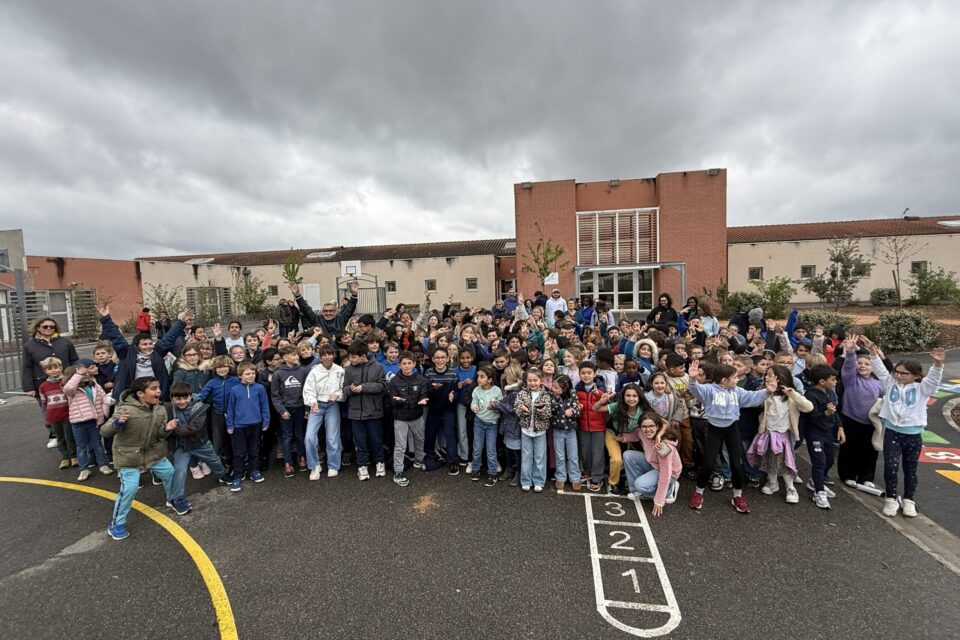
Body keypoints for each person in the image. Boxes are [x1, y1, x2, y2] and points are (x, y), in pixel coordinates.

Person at [861, 337, 945, 518]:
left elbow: (933, 380)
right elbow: (880, 369)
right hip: (892, 432)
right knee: (890, 468)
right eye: (897, 372)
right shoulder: (890, 383)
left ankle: (909, 500)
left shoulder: (922, 388)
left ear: (915, 375)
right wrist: (872, 352)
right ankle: (890, 499)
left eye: (904, 373)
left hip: (913, 435)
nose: (899, 375)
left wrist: (937, 365)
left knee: (910, 469)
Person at [687, 359, 775, 513]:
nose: (737, 380)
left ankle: (737, 495)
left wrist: (768, 391)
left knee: (736, 464)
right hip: (714, 429)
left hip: (732, 429)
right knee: (708, 464)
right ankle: (698, 492)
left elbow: (752, 397)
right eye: (734, 378)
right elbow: (696, 390)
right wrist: (693, 379)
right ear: (723, 380)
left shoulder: (738, 391)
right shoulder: (709, 390)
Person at [102, 377, 178, 541]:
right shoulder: (125, 409)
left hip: (153, 453)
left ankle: (173, 499)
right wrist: (117, 424)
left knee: (170, 472)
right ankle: (116, 524)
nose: (158, 391)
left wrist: (166, 429)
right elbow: (105, 431)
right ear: (140, 393)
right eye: (153, 388)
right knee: (129, 488)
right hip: (129, 456)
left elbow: (159, 434)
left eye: (158, 387)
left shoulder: (160, 409)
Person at [746, 364, 813, 505]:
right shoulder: (766, 393)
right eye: (767, 375)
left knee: (785, 462)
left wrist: (792, 393)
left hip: (783, 434)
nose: (767, 377)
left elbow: (808, 407)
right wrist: (767, 391)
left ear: (781, 378)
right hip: (767, 432)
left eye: (771, 375)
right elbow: (752, 402)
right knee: (769, 458)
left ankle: (790, 488)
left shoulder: (791, 397)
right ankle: (772, 483)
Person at [98, 304, 187, 401]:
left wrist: (181, 322)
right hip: (132, 396)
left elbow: (169, 337)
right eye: (144, 344)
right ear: (136, 346)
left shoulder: (157, 351)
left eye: (150, 343)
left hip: (155, 395)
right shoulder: (126, 353)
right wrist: (106, 317)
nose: (148, 346)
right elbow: (115, 336)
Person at [167, 382, 230, 514]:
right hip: (181, 446)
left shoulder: (199, 407)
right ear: (172, 398)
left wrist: (173, 429)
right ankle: (176, 499)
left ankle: (223, 475)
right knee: (179, 471)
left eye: (185, 398)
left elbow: (194, 427)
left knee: (214, 460)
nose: (182, 401)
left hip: (199, 443)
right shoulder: (168, 409)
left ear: (191, 396)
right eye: (178, 398)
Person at [21, 316, 79, 447]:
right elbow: (26, 367)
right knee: (48, 410)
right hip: (43, 385)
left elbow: (74, 360)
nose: (48, 329)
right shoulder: (30, 346)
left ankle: (73, 434)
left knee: (70, 407)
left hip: (66, 382)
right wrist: (28, 387)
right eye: (45, 326)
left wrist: (78, 376)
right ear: (38, 328)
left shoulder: (64, 342)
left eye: (51, 327)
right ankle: (54, 435)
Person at [836, 334, 885, 488]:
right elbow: (848, 367)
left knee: (870, 451)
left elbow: (883, 398)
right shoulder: (851, 380)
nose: (863, 366)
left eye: (867, 364)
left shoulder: (878, 384)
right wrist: (850, 352)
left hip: (871, 422)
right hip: (851, 419)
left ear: (873, 368)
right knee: (850, 449)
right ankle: (848, 475)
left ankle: (866, 477)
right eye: (860, 363)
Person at [342, 341, 387, 481]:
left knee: (376, 440)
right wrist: (351, 389)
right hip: (355, 413)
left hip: (374, 411)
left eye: (353, 357)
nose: (351, 360)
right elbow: (344, 388)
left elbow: (381, 386)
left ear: (362, 356)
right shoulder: (349, 370)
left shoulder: (378, 367)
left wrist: (364, 387)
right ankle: (362, 466)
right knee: (359, 441)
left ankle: (380, 463)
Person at [803, 365, 845, 509]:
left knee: (829, 460)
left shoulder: (830, 393)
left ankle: (816, 481)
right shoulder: (810, 395)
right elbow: (811, 416)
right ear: (822, 381)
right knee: (819, 462)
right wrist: (825, 413)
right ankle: (819, 491)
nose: (835, 382)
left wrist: (839, 427)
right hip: (815, 433)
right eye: (833, 380)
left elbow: (835, 411)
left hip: (828, 432)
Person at [62, 361, 113, 481]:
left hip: (94, 421)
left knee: (97, 444)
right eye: (80, 374)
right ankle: (84, 469)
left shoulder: (94, 385)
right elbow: (68, 388)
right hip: (78, 422)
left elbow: (103, 398)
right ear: (72, 377)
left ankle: (103, 465)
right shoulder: (72, 391)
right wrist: (78, 374)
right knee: (81, 446)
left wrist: (104, 413)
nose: (85, 375)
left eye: (85, 373)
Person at [595, 383, 649, 494]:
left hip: (631, 437)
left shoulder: (643, 410)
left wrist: (659, 436)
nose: (631, 399)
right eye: (628, 395)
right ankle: (612, 482)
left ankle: (626, 478)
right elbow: (596, 409)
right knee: (617, 459)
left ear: (639, 397)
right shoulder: (618, 406)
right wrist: (602, 400)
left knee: (630, 459)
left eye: (634, 396)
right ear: (623, 397)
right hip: (613, 434)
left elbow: (662, 423)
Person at [623, 414, 682, 515]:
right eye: (644, 426)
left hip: (669, 473)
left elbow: (665, 473)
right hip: (653, 464)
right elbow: (636, 435)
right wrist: (622, 437)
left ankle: (669, 491)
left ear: (657, 427)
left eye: (651, 426)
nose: (647, 429)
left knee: (640, 485)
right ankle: (636, 490)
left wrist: (659, 501)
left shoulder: (663, 446)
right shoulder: (642, 432)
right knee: (628, 455)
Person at [387, 350, 429, 486]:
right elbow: (391, 401)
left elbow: (424, 394)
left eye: (409, 363)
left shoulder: (421, 379)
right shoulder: (394, 381)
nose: (407, 366)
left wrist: (423, 400)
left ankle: (419, 459)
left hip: (416, 415)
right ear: (399, 365)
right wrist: (397, 400)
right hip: (400, 417)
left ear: (414, 364)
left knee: (420, 439)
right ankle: (398, 471)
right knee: (400, 445)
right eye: (404, 363)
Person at [226, 361, 270, 492]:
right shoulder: (234, 390)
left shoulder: (259, 388)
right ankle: (238, 475)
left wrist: (266, 421)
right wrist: (230, 424)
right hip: (239, 426)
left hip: (256, 424)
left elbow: (264, 406)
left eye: (253, 373)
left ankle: (253, 470)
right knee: (239, 453)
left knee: (254, 450)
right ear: (240, 375)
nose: (251, 376)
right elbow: (231, 409)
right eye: (247, 374)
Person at [302, 344, 345, 480]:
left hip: (332, 405)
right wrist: (312, 402)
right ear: (320, 357)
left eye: (329, 354)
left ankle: (333, 465)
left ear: (333, 355)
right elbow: (308, 389)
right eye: (324, 355)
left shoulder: (340, 370)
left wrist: (337, 395)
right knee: (309, 437)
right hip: (317, 406)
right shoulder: (314, 371)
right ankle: (314, 466)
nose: (327, 357)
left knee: (332, 437)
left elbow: (343, 389)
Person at [270, 345, 310, 477]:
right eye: (293, 355)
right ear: (285, 358)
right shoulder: (278, 373)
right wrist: (282, 410)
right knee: (287, 436)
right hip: (286, 410)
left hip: (300, 408)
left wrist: (306, 408)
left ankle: (301, 458)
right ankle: (288, 462)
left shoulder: (303, 371)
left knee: (300, 434)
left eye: (296, 354)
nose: (297, 356)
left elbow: (307, 391)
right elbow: (275, 395)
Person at [514, 367, 553, 492]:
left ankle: (539, 481)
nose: (532, 383)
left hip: (540, 431)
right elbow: (516, 408)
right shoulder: (522, 393)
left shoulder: (546, 394)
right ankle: (526, 480)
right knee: (526, 456)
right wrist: (523, 410)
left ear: (540, 380)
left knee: (539, 457)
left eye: (535, 380)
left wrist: (539, 410)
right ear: (526, 381)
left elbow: (548, 413)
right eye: (530, 380)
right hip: (526, 430)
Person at [37, 356, 76, 470]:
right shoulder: (43, 386)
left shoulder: (66, 382)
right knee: (60, 438)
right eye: (49, 368)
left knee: (70, 437)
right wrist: (47, 418)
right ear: (45, 371)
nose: (53, 370)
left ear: (61, 368)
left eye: (55, 367)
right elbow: (44, 403)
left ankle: (74, 456)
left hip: (68, 414)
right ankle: (64, 457)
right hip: (54, 416)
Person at [468, 365, 503, 486]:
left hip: (492, 424)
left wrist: (495, 405)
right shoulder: (476, 390)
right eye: (478, 376)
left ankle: (492, 474)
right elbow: (474, 402)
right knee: (477, 447)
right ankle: (476, 470)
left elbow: (501, 405)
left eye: (482, 377)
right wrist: (474, 407)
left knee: (491, 449)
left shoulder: (497, 391)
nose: (478, 379)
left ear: (490, 379)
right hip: (479, 422)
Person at [576, 361, 608, 492]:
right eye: (583, 373)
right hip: (583, 425)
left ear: (594, 374)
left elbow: (607, 402)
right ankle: (587, 471)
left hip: (598, 427)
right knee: (585, 451)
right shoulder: (578, 389)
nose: (586, 375)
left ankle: (597, 477)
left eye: (589, 373)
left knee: (597, 453)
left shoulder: (601, 389)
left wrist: (599, 395)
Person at [288, 280, 359, 337]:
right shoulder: (317, 319)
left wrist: (354, 295)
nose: (328, 313)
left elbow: (350, 308)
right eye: (325, 311)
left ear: (336, 311)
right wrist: (297, 295)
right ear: (322, 311)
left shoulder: (341, 319)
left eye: (331, 311)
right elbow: (306, 309)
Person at [551, 375, 582, 491]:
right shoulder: (552, 396)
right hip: (558, 429)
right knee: (560, 456)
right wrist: (557, 399)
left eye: (557, 387)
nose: (554, 389)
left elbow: (578, 410)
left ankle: (575, 478)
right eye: (553, 386)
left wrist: (573, 411)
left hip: (571, 430)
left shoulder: (573, 394)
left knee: (573, 456)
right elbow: (551, 410)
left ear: (565, 388)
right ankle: (560, 477)